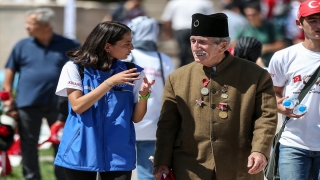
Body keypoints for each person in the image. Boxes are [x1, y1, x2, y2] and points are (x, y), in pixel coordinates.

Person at [152, 13, 278, 180]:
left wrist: (259, 150)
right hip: (190, 167)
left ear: (223, 45)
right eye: (193, 41)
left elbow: (266, 117)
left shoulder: (255, 76)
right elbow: (167, 125)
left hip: (239, 165)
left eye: (203, 42)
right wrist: (162, 161)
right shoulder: (178, 78)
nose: (196, 47)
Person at [54, 21, 155, 180]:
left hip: (119, 151)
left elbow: (137, 118)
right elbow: (78, 106)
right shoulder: (74, 68)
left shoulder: (133, 72)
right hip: (81, 148)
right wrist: (110, 82)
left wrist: (144, 96)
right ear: (108, 46)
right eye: (127, 44)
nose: (132, 48)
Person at [2, 8, 80, 180]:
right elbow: (9, 72)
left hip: (60, 105)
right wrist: (8, 100)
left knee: (62, 144)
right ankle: (31, 178)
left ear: (45, 25)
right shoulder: (22, 45)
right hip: (28, 103)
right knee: (28, 145)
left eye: (31, 23)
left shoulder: (69, 45)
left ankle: (64, 177)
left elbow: (82, 70)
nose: (26, 27)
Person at [268, 0, 320, 179]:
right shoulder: (284, 56)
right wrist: (279, 106)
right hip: (293, 144)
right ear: (299, 23)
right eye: (312, 20)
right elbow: (271, 92)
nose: (318, 25)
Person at [125, 16, 175, 180]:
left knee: (120, 171)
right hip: (153, 126)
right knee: (148, 173)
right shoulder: (164, 60)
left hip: (129, 125)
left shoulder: (128, 57)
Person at [160, 0, 214, 67]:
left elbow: (167, 19)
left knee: (183, 51)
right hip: (198, 30)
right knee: (198, 50)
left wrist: (167, 33)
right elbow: (211, 18)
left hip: (181, 30)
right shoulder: (204, 2)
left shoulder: (175, 2)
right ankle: (197, 67)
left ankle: (183, 67)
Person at [233, 1, 285, 67]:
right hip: (249, 64)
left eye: (253, 14)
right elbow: (234, 45)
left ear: (259, 13)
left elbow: (281, 44)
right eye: (248, 15)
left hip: (268, 62)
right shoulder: (243, 28)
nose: (250, 17)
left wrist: (265, 48)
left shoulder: (270, 26)